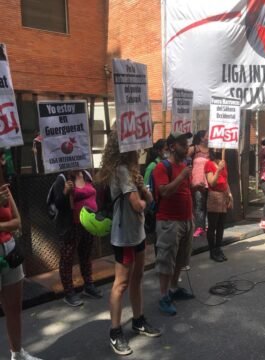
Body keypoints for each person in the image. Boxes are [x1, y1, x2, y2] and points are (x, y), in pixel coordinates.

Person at [96, 131, 161, 356]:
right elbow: (138, 205)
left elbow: (147, 200)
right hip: (124, 236)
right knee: (121, 283)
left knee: (138, 277)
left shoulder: (131, 171)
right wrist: (143, 198)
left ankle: (138, 320)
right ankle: (115, 332)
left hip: (137, 233)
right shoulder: (122, 171)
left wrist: (144, 191)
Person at [152, 131, 195, 316]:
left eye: (186, 144)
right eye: (182, 145)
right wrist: (182, 176)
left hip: (186, 219)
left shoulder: (185, 165)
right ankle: (163, 296)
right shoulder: (162, 168)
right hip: (169, 221)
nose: (186, 148)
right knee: (166, 261)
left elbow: (187, 189)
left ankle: (174, 288)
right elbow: (164, 192)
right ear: (171, 147)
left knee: (181, 258)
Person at [0, 178, 43, 359]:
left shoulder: (4, 190)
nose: (2, 161)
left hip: (9, 251)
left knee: (14, 308)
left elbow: (17, 222)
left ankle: (17, 354)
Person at [53, 170, 102, 307]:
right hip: (71, 226)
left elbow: (93, 194)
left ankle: (88, 285)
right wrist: (65, 192)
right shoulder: (62, 178)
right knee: (67, 259)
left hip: (88, 224)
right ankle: (69, 292)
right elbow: (58, 204)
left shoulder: (87, 175)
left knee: (86, 255)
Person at [204, 148, 233, 262]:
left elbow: (226, 181)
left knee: (221, 225)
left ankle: (219, 248)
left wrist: (230, 195)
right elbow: (211, 182)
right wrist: (218, 170)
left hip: (224, 195)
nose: (219, 150)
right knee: (213, 226)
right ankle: (212, 251)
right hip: (214, 196)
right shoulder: (208, 164)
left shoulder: (223, 162)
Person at [188, 130, 209, 238]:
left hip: (209, 182)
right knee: (199, 205)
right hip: (197, 181)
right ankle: (199, 227)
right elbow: (184, 161)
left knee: (208, 205)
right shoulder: (194, 149)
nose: (209, 137)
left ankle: (207, 226)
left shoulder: (211, 151)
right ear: (201, 138)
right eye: (207, 135)